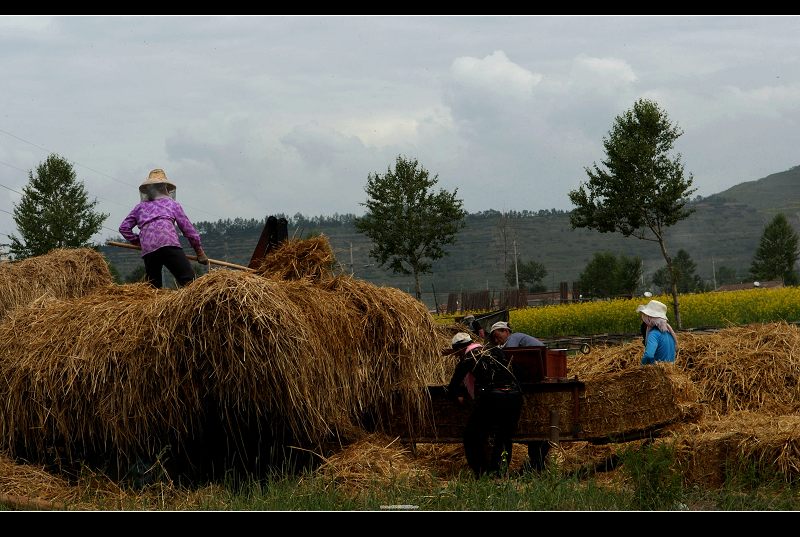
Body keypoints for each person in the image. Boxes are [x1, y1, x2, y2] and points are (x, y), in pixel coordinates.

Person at [447, 332, 523, 478]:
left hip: (493, 398)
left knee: (472, 436)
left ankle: (480, 472)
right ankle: (499, 473)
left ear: (459, 350)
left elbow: (452, 387)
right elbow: (516, 371)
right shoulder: (495, 351)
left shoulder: (468, 359)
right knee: (504, 437)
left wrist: (459, 396)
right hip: (514, 396)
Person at [119, 168, 208, 289]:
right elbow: (188, 229)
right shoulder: (172, 204)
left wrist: (140, 242)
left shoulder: (139, 208)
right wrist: (199, 251)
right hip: (168, 243)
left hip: (149, 250)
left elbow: (124, 228)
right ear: (165, 187)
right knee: (190, 283)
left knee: (153, 289)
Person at [636, 300, 677, 365]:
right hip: (671, 370)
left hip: (659, 372)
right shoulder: (669, 333)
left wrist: (642, 366)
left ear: (649, 317)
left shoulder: (653, 334)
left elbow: (649, 355)